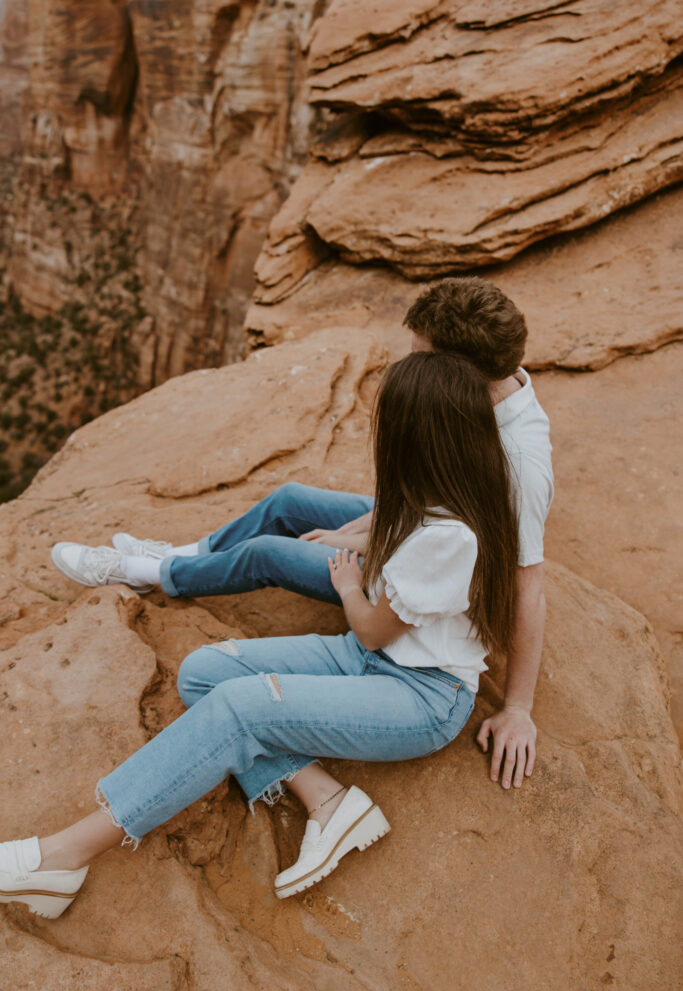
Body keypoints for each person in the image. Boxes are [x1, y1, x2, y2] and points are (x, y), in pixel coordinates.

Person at [1, 351, 518, 919]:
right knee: (204, 672)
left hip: (418, 693)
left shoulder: (454, 535)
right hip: (371, 660)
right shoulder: (441, 493)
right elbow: (399, 544)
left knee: (240, 710)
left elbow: (370, 631)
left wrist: (347, 584)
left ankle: (62, 858)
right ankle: (328, 801)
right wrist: (356, 545)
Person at [51, 277, 553, 792]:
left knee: (268, 552)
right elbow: (425, 495)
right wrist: (359, 529)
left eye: (419, 357)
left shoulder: (519, 466)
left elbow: (526, 583)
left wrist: (518, 707)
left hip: (418, 573)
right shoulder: (493, 391)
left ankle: (152, 573)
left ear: (456, 373)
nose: (407, 364)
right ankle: (186, 554)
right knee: (290, 501)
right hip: (417, 525)